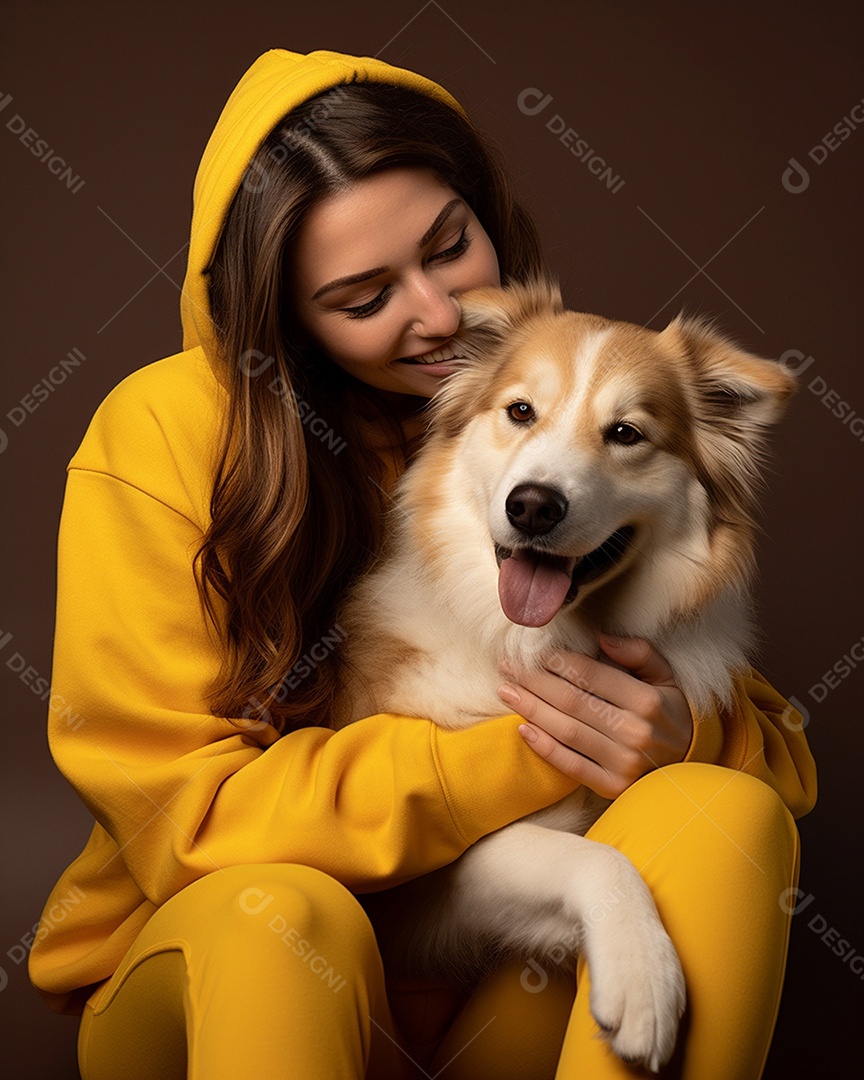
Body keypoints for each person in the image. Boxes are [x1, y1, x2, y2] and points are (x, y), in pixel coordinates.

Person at [29, 48, 816, 1080]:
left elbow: (746, 727)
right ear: (286, 313)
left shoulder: (541, 382)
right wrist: (537, 751)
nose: (440, 316)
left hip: (498, 987)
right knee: (283, 913)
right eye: (364, 298)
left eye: (450, 247)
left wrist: (682, 737)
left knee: (726, 814)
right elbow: (193, 825)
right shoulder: (163, 435)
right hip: (232, 968)